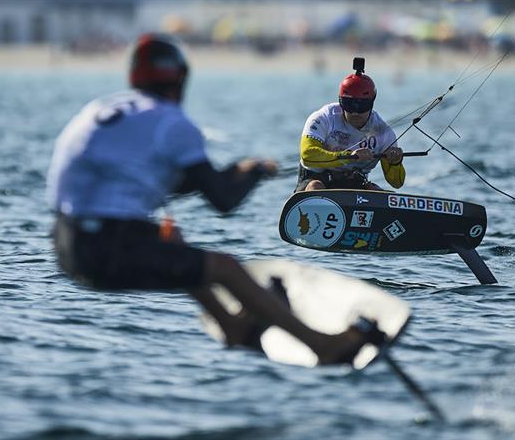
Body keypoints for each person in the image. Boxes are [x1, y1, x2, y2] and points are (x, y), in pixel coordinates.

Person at [46, 33, 373, 364]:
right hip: (102, 248)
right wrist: (254, 172)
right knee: (226, 268)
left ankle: (230, 323)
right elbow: (223, 200)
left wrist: (240, 171)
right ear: (180, 79)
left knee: (172, 240)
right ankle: (321, 344)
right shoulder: (171, 122)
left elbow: (170, 181)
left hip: (64, 243)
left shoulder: (103, 108)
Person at [296, 57, 405, 192]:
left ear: (371, 103)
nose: (355, 113)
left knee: (382, 193)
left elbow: (397, 183)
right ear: (341, 102)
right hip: (315, 181)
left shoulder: (384, 132)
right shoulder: (323, 118)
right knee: (315, 187)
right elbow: (307, 155)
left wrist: (395, 163)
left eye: (362, 106)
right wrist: (348, 157)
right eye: (348, 106)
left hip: (355, 184)